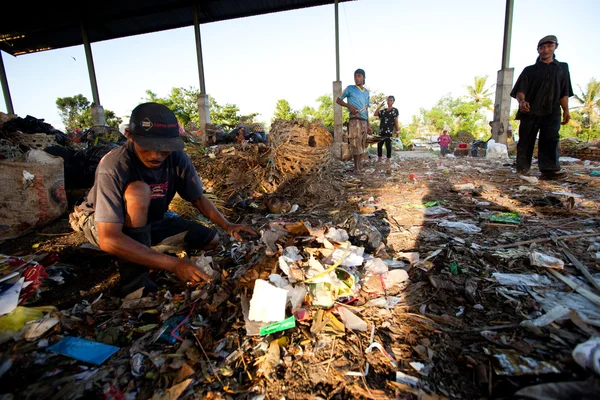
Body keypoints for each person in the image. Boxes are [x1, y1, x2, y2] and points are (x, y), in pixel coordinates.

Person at [68, 102, 256, 297]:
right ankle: (135, 285)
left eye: (164, 148)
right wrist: (173, 264)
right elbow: (109, 237)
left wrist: (227, 226)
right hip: (105, 225)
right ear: (129, 136)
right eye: (148, 147)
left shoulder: (177, 158)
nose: (156, 155)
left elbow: (198, 198)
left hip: (152, 219)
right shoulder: (114, 165)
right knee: (138, 192)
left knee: (211, 240)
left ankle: (143, 248)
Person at [510, 34, 573, 179]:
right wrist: (521, 102)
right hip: (530, 111)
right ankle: (522, 169)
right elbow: (520, 90)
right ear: (538, 50)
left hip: (552, 110)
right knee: (525, 140)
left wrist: (566, 110)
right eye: (542, 47)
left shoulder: (562, 68)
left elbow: (564, 91)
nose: (546, 50)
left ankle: (549, 170)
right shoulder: (529, 70)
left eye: (549, 46)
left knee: (550, 139)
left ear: (555, 47)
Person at [336, 68, 371, 174]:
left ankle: (359, 166)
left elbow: (366, 108)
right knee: (355, 144)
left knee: (362, 144)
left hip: (364, 120)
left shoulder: (366, 93)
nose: (357, 78)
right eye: (355, 76)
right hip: (354, 120)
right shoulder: (350, 89)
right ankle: (356, 168)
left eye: (359, 76)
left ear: (364, 78)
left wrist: (368, 124)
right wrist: (349, 106)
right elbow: (338, 100)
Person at [373, 95, 399, 163]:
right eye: (388, 100)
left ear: (393, 102)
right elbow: (375, 114)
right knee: (379, 145)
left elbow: (396, 121)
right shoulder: (383, 111)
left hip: (389, 131)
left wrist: (397, 131)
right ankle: (379, 159)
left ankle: (388, 159)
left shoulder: (395, 110)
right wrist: (380, 106)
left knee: (388, 145)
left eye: (391, 100)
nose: (389, 101)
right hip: (382, 130)